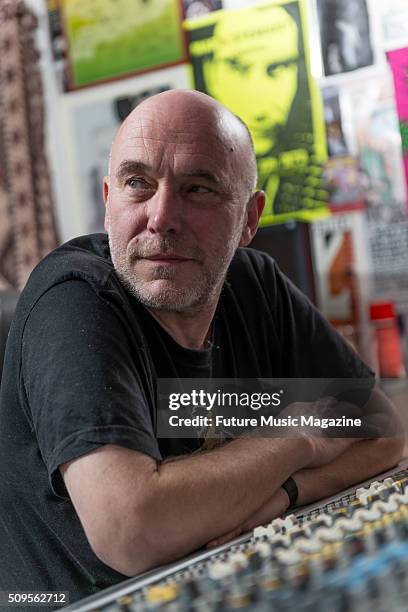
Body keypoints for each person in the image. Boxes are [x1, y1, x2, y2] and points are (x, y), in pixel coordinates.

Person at [0, 90, 403, 606]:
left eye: (198, 188)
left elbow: (381, 428)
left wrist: (288, 493)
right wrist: (298, 435)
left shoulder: (255, 284)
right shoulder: (73, 299)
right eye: (137, 184)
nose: (161, 215)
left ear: (249, 220)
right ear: (107, 204)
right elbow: (130, 526)